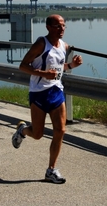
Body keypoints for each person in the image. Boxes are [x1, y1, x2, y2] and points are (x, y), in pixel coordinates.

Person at [12, 14, 83, 184]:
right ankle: (22, 130)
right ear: (48, 27)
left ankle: (51, 170)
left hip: (56, 91)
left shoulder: (64, 47)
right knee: (38, 134)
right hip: (38, 93)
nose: (62, 29)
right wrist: (43, 74)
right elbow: (23, 66)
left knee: (61, 130)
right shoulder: (41, 44)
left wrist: (72, 65)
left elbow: (58, 68)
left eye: (64, 26)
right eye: (58, 26)